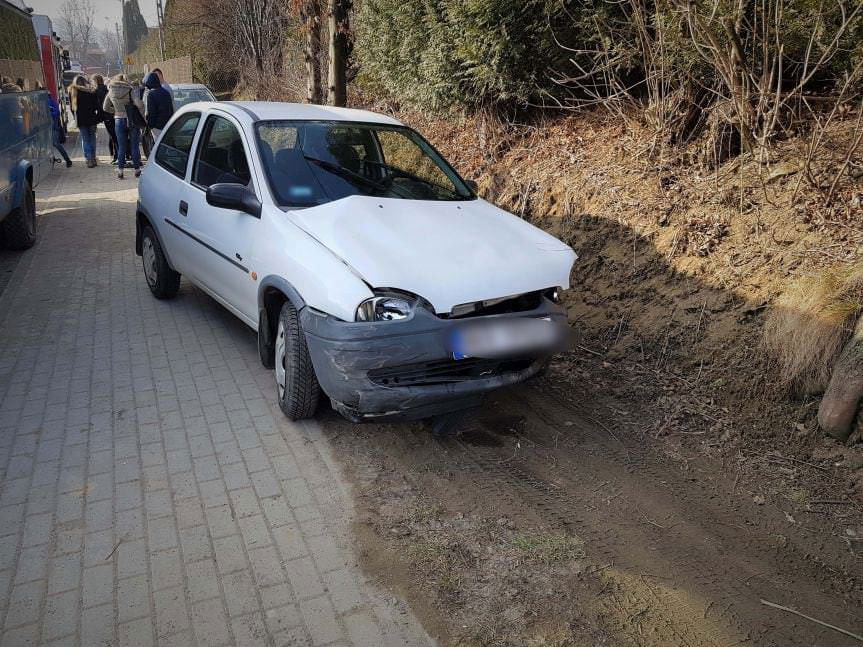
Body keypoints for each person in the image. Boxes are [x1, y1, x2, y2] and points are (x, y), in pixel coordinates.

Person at [103, 74, 145, 179]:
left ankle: (120, 171)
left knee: (121, 146)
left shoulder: (111, 90)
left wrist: (115, 111)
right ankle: (137, 170)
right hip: (131, 120)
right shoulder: (130, 90)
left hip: (118, 119)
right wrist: (140, 107)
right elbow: (139, 104)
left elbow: (105, 107)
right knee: (134, 146)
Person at [70, 75, 100, 167]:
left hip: (81, 119)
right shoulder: (91, 91)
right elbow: (96, 106)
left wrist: (76, 118)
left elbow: (73, 108)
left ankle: (89, 159)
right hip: (91, 118)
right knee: (92, 139)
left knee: (85, 139)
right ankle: (93, 159)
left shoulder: (74, 92)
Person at [92, 74, 118, 164]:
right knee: (114, 136)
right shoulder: (107, 89)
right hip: (112, 115)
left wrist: (97, 118)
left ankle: (116, 156)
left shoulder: (96, 92)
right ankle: (115, 155)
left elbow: (98, 106)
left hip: (106, 116)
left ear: (95, 81)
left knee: (113, 136)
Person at [144, 72, 174, 141]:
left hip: (157, 127)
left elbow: (151, 112)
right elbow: (171, 109)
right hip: (167, 124)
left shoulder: (151, 95)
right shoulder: (166, 92)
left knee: (158, 146)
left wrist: (151, 125)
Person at [47, 92, 72, 167]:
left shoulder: (51, 102)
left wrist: (49, 111)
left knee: (56, 144)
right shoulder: (41, 102)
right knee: (51, 145)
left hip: (53, 127)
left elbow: (56, 113)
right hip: (46, 128)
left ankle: (68, 160)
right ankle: (53, 161)